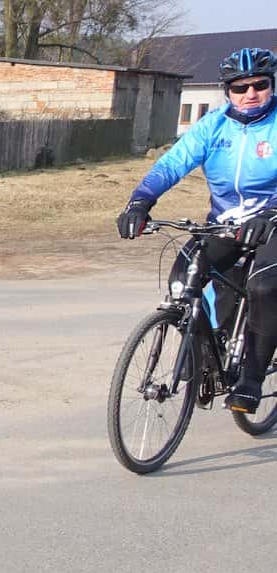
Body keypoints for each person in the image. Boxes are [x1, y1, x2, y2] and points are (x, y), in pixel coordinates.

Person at [118, 48, 277, 412]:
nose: (250, 93)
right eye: (240, 87)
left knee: (265, 287)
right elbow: (171, 164)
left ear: (271, 85)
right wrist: (139, 202)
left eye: (260, 85)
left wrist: (272, 212)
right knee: (182, 280)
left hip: (273, 223)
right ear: (227, 91)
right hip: (226, 223)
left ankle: (251, 379)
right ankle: (206, 354)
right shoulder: (212, 126)